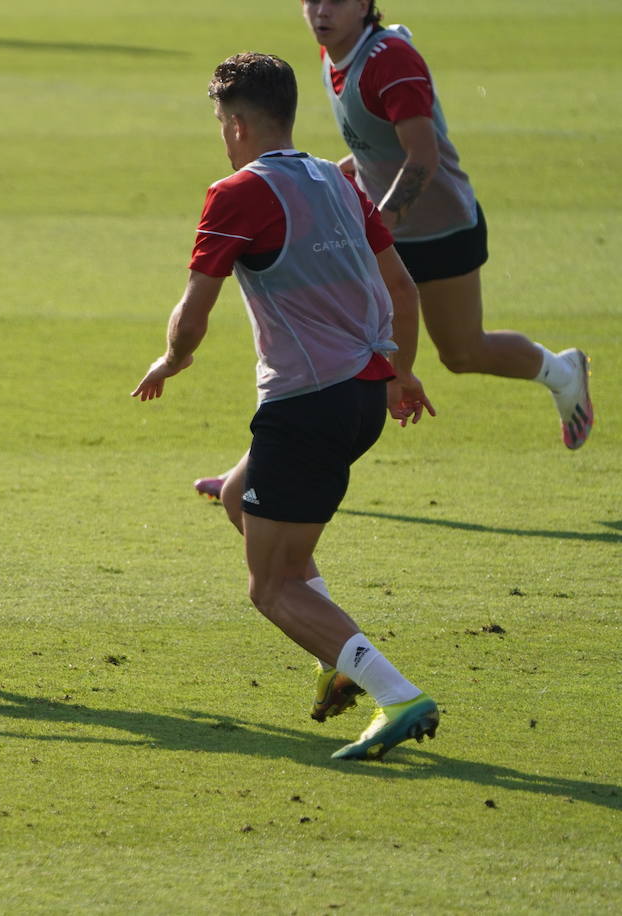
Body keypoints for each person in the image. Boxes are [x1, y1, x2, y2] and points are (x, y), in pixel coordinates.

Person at [132, 52, 438, 760]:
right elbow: (401, 287)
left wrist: (172, 359)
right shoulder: (338, 180)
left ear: (238, 125)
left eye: (221, 123)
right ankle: (336, 657)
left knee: (270, 586)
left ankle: (397, 693)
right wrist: (401, 373)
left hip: (305, 406)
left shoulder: (236, 194)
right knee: (238, 498)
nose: (222, 136)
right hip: (361, 395)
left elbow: (193, 312)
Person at [191, 1, 595, 501]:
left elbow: (422, 154)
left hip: (439, 228)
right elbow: (374, 146)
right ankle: (253, 476)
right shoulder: (334, 55)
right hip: (383, 227)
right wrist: (339, 177)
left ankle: (563, 372)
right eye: (313, 0)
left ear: (364, 5)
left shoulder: (390, 60)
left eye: (337, 0)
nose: (321, 11)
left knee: (462, 352)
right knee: (323, 343)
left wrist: (373, 228)